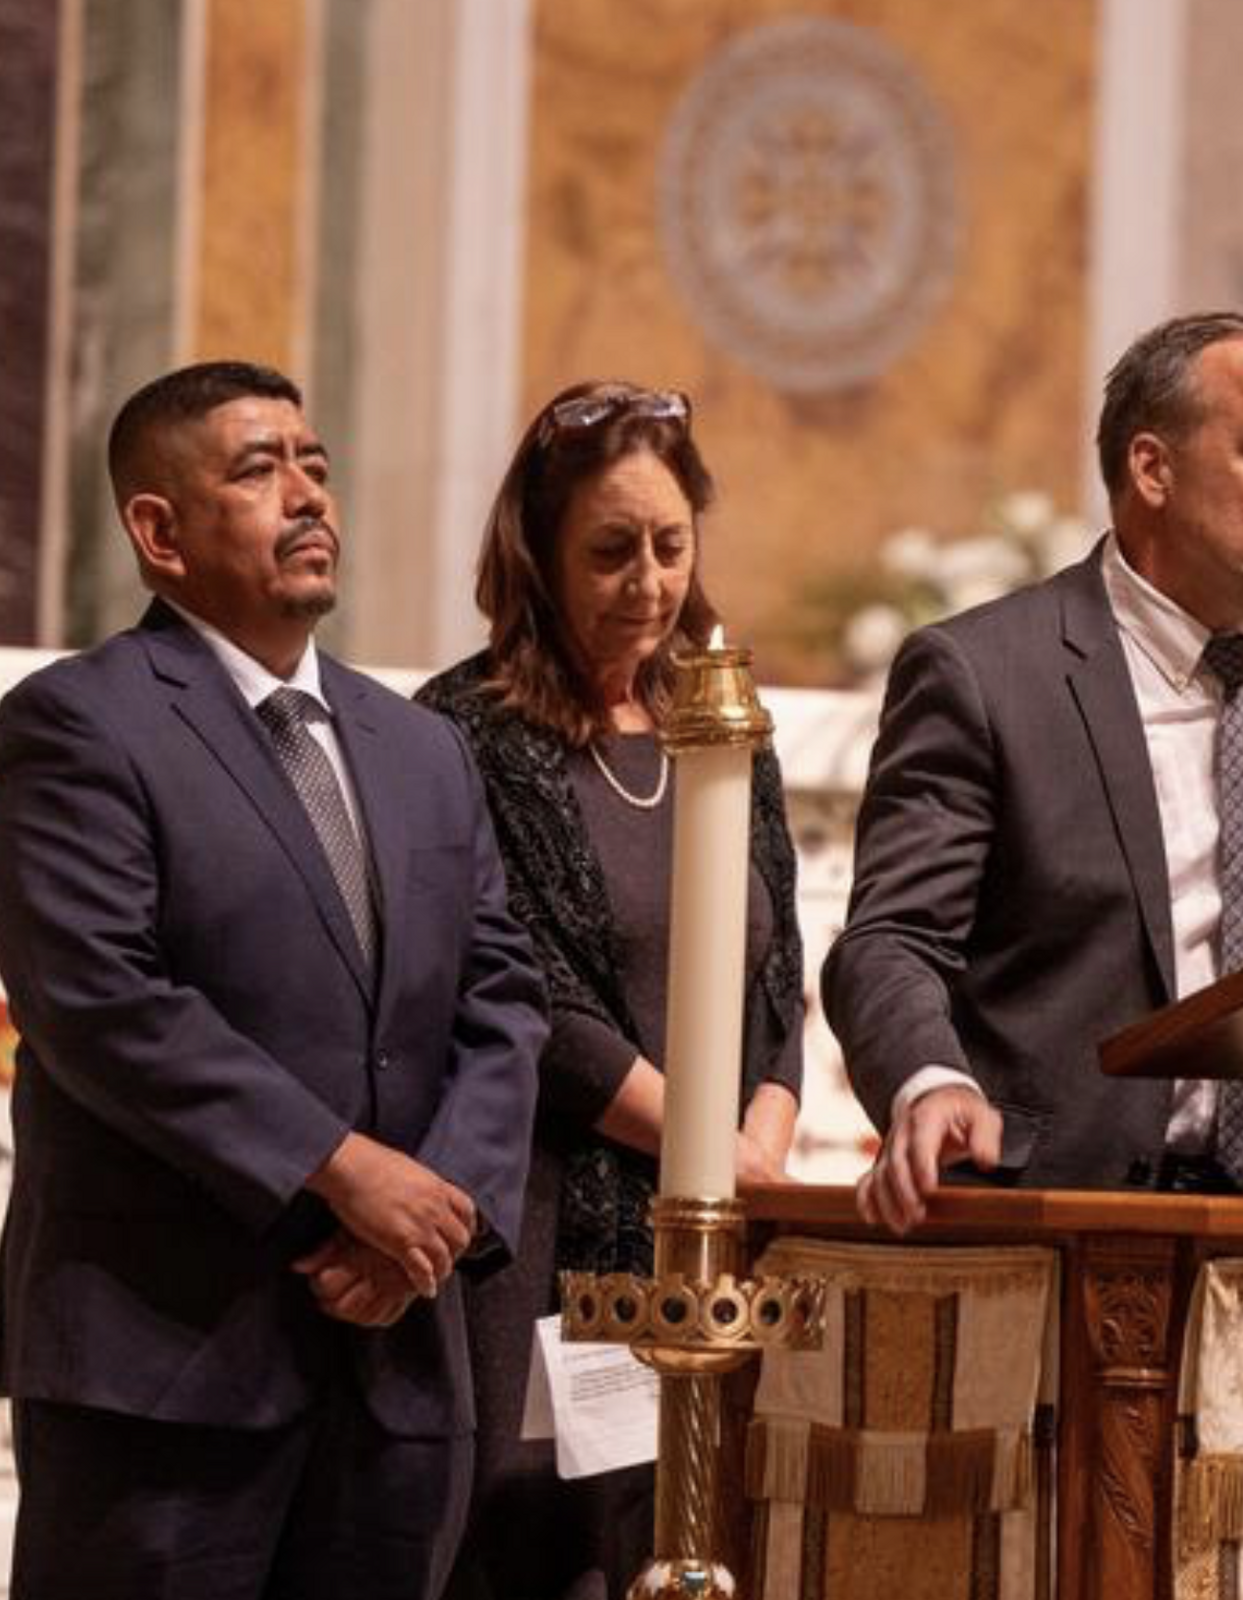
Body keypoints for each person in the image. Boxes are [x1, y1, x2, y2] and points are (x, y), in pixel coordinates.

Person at [0, 361, 548, 1599]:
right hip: (168, 1368)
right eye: (258, 468)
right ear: (157, 532)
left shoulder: (423, 748)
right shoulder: (80, 724)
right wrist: (346, 1172)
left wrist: (436, 1215)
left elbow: (501, 996)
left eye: (317, 466)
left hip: (393, 1357)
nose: (307, 497)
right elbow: (101, 1005)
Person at [824, 311, 1243, 1233]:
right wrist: (929, 1080)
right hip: (1064, 1205)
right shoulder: (985, 673)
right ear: (1153, 469)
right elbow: (890, 940)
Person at [416, 380, 804, 1599]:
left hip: (717, 1213)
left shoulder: (722, 717)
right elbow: (533, 1003)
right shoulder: (467, 731)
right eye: (611, 550)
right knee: (551, 1552)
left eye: (671, 546)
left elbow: (780, 964)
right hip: (544, 1223)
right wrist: (706, 1158)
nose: (648, 583)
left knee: (697, 1534)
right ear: (537, 550)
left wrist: (759, 1138)